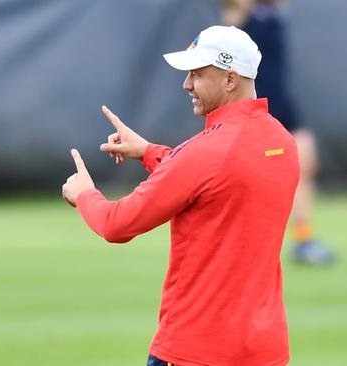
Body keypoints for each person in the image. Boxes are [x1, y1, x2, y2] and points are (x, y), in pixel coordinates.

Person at [62, 26, 297, 365]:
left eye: (197, 75)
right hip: (265, 351)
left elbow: (117, 224)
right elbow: (218, 180)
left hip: (193, 351)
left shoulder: (204, 153)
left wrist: (84, 194)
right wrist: (148, 151)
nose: (187, 85)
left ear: (230, 80)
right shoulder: (283, 143)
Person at [222, 0, 335, 265]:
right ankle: (241, 245)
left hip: (282, 102)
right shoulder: (239, 10)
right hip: (254, 103)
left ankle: (304, 240)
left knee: (306, 163)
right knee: (247, 177)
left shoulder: (275, 10)